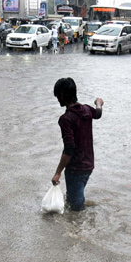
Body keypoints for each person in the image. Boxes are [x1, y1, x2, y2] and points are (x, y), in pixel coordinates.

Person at [51, 77, 104, 212]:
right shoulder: (86, 110)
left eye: (58, 96)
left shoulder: (66, 119)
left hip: (75, 168)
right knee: (73, 198)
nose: (57, 99)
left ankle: (80, 231)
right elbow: (98, 114)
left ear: (63, 95)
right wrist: (99, 103)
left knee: (76, 209)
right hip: (89, 164)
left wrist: (58, 173)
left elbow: (69, 148)